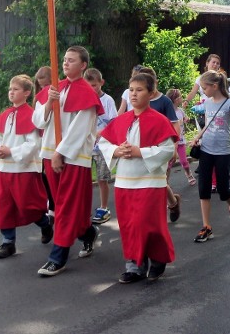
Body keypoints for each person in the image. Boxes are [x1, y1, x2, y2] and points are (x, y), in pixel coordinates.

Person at [97, 73, 178, 283]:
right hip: (124, 182)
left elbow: (168, 150)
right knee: (129, 224)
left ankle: (158, 259)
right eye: (131, 89)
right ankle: (135, 266)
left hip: (150, 183)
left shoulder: (160, 121)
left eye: (139, 90)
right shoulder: (121, 120)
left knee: (149, 224)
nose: (133, 94)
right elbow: (104, 143)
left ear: (151, 94)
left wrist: (138, 152)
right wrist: (117, 151)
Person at [33, 46, 104, 277]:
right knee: (62, 206)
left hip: (73, 157)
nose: (65, 63)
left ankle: (58, 257)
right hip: (49, 154)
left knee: (65, 207)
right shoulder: (53, 89)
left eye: (71, 60)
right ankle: (87, 233)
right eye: (64, 59)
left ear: (83, 65)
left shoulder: (86, 93)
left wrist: (60, 153)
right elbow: (38, 122)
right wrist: (47, 104)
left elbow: (80, 128)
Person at [0, 74, 53, 259]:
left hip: (23, 169)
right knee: (4, 206)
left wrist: (11, 151)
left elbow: (33, 143)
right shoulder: (5, 115)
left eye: (15, 89)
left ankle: (45, 224)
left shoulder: (32, 116)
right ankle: (7, 242)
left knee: (30, 206)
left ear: (26, 93)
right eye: (10, 89)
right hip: (4, 170)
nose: (11, 92)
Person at [190, 70, 230, 243]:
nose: (203, 90)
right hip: (206, 149)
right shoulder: (206, 103)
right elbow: (207, 124)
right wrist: (198, 136)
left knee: (223, 189)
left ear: (215, 86)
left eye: (205, 87)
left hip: (222, 152)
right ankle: (207, 227)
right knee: (203, 188)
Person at [135, 67, 183, 222]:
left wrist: (174, 147)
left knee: (160, 181)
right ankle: (173, 202)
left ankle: (162, 212)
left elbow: (174, 125)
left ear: (155, 82)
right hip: (143, 147)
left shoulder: (164, 101)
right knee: (150, 181)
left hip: (162, 147)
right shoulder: (138, 99)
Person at [84, 68, 117, 224]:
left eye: (95, 85)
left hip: (103, 146)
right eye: (89, 86)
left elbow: (113, 122)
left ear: (101, 83)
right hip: (86, 147)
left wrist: (100, 132)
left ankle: (104, 208)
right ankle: (84, 208)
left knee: (102, 178)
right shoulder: (83, 99)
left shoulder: (107, 100)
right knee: (84, 179)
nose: (92, 89)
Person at [33, 66, 55, 222]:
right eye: (40, 86)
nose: (43, 88)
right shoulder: (39, 97)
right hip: (42, 139)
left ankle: (53, 206)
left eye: (45, 85)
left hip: (52, 141)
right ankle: (51, 204)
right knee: (44, 176)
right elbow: (38, 121)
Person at [165, 88, 197, 186]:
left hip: (181, 141)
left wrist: (186, 119)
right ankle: (165, 181)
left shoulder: (181, 111)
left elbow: (185, 118)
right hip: (171, 141)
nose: (182, 99)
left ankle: (189, 174)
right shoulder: (167, 112)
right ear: (174, 99)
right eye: (180, 97)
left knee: (184, 161)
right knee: (169, 163)